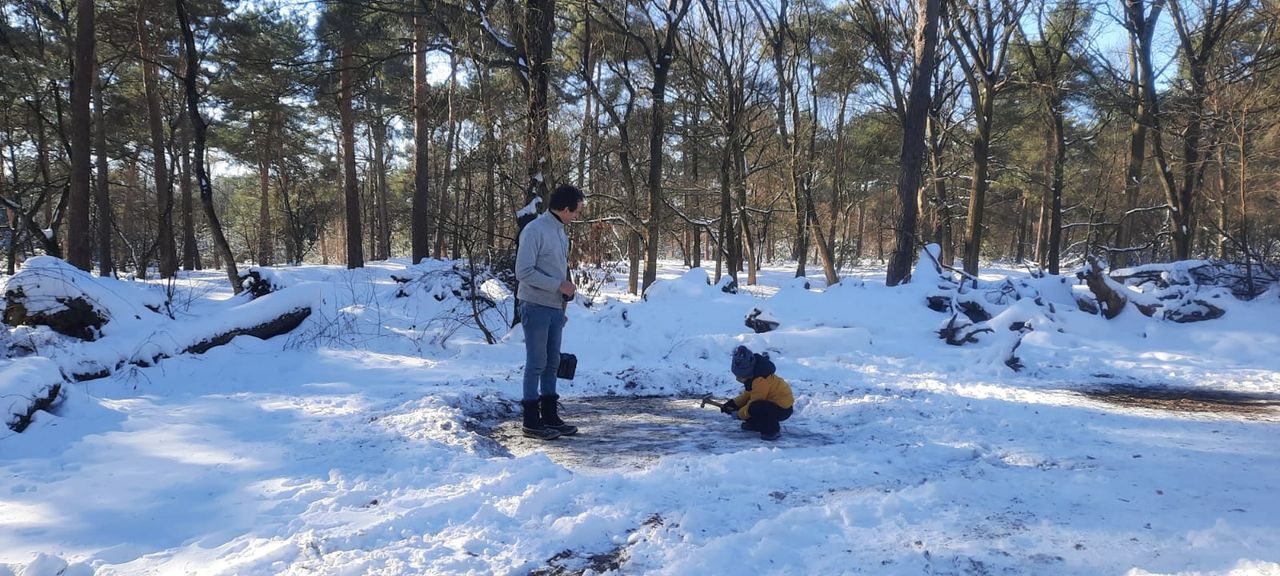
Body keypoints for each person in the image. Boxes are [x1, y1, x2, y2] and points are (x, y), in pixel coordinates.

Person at [514, 184, 585, 440]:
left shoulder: (560, 232)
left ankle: (550, 416)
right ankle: (531, 420)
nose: (577, 215)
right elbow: (522, 271)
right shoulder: (535, 230)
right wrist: (558, 285)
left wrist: (562, 301)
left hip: (554, 307)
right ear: (566, 209)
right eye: (577, 211)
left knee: (552, 362)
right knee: (536, 363)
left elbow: (556, 271)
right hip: (534, 305)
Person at [720, 345, 794, 441]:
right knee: (750, 406)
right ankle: (755, 424)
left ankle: (772, 431)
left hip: (782, 409)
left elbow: (754, 402)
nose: (738, 379)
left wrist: (739, 414)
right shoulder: (754, 376)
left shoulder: (761, 380)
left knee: (756, 407)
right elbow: (748, 395)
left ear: (747, 372)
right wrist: (733, 404)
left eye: (741, 376)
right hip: (770, 404)